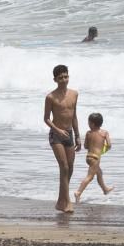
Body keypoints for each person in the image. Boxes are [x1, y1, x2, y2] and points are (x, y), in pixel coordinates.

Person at [44, 65, 81, 213]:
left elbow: (74, 116)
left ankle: (60, 201)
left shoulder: (74, 94)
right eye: (60, 78)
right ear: (55, 80)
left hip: (69, 134)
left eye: (66, 76)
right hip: (56, 135)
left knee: (70, 168)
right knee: (64, 167)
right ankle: (67, 203)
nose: (64, 80)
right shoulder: (51, 97)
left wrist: (78, 136)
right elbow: (46, 119)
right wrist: (57, 129)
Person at [74, 113, 113, 203]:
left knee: (99, 172)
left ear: (92, 124)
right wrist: (104, 148)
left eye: (88, 122)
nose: (88, 124)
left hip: (88, 157)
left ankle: (105, 189)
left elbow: (86, 146)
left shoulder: (88, 133)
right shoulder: (104, 133)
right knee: (90, 177)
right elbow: (109, 145)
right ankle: (78, 192)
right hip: (95, 158)